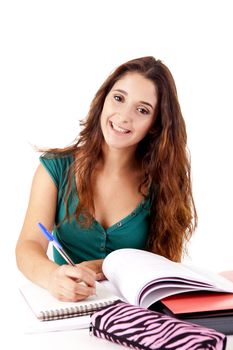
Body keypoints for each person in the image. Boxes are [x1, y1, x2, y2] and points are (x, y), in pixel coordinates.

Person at [15, 56, 197, 302]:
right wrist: (53, 278)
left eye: (142, 110)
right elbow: (28, 245)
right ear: (103, 101)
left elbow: (164, 267)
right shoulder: (56, 169)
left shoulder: (164, 182)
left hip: (135, 312)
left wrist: (105, 265)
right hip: (70, 310)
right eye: (119, 98)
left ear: (155, 124)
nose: (123, 117)